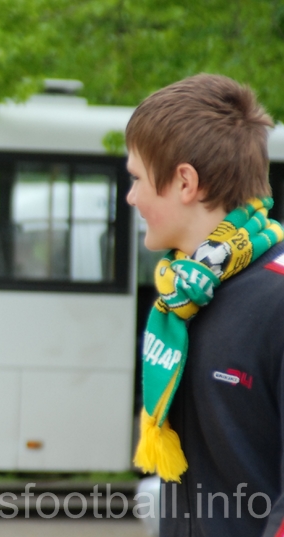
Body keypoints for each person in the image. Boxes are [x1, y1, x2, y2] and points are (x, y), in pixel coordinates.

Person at [126, 73, 284, 536]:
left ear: (185, 182)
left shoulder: (275, 300)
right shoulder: (183, 296)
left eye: (136, 178)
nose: (131, 197)